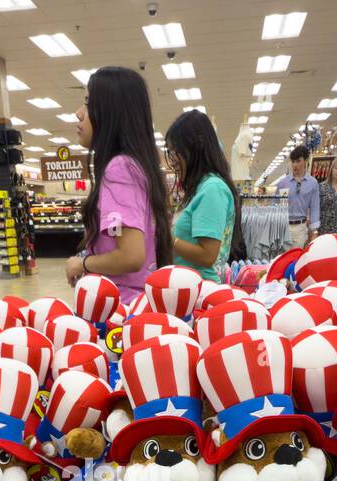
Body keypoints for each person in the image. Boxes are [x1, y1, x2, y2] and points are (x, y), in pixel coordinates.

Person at [65, 66, 172, 303]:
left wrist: (81, 263)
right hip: (135, 303)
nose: (79, 113)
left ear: (112, 112)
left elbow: (130, 256)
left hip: (118, 310)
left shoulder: (120, 169)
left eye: (89, 104)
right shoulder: (137, 165)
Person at [164, 110, 238, 282]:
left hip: (201, 291)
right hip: (188, 288)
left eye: (176, 151)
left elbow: (207, 256)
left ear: (196, 146)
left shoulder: (212, 188)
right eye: (170, 152)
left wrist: (168, 238)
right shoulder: (198, 188)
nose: (173, 160)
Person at [275, 144, 320, 250]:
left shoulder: (313, 183)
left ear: (306, 161)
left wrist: (314, 231)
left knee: (296, 260)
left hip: (300, 228)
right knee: (282, 260)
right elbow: (275, 205)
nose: (295, 165)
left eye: (298, 161)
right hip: (283, 226)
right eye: (293, 161)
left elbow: (314, 208)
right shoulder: (283, 183)